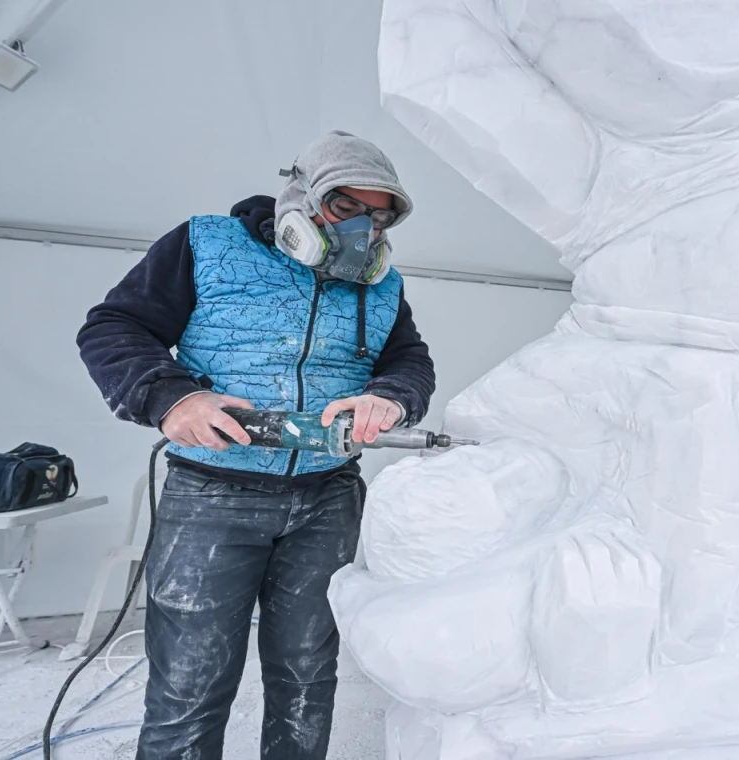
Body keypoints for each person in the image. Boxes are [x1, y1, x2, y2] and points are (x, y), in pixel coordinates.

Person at [75, 130, 436, 760]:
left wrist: (391, 396)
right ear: (301, 198)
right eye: (346, 207)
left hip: (329, 497)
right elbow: (115, 326)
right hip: (212, 494)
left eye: (379, 217)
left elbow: (409, 362)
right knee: (189, 685)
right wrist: (172, 400)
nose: (364, 229)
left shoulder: (384, 286)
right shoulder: (207, 243)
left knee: (307, 677)